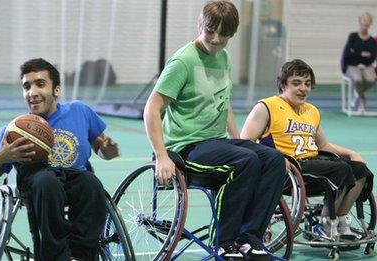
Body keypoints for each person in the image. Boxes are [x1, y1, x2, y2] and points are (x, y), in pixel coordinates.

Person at [143, 1, 285, 260]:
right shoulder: (183, 62)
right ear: (201, 25)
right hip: (187, 147)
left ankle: (249, 237)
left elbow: (223, 102)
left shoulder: (223, 56)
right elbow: (152, 109)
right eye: (211, 31)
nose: (216, 39)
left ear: (232, 34)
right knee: (246, 161)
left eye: (224, 34)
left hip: (217, 143)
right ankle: (224, 241)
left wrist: (239, 139)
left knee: (274, 159)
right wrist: (161, 156)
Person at [0, 58, 119, 261]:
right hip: (38, 182)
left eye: (40, 84)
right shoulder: (15, 130)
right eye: (27, 86)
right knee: (47, 182)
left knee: (92, 184)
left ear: (56, 90)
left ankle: (82, 255)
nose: (32, 92)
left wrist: (109, 150)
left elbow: (105, 152)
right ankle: (55, 256)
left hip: (76, 177)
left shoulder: (79, 111)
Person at [241, 59, 373, 240]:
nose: (303, 88)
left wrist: (350, 153)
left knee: (360, 169)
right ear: (282, 84)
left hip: (313, 164)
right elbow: (245, 142)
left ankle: (339, 219)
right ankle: (324, 223)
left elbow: (323, 146)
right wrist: (275, 158)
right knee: (340, 169)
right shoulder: (266, 107)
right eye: (296, 83)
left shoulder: (311, 111)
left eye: (307, 84)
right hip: (288, 170)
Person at [341, 12, 377, 112]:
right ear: (360, 21)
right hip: (352, 65)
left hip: (367, 66)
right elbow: (348, 52)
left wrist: (356, 52)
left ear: (370, 23)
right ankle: (362, 101)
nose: (366, 22)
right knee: (358, 80)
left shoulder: (372, 41)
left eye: (368, 21)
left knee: (372, 80)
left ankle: (356, 94)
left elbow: (372, 57)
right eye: (364, 20)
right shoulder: (353, 36)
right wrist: (362, 54)